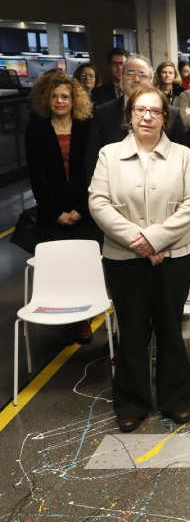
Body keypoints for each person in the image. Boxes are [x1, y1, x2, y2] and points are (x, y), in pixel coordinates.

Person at [88, 85, 190, 433]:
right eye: (140, 110)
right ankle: (131, 403)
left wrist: (155, 240)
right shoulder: (109, 154)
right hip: (124, 258)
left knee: (170, 328)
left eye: (155, 111)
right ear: (130, 115)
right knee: (132, 331)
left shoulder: (183, 156)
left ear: (166, 118)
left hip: (174, 257)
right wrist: (139, 242)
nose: (147, 117)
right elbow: (98, 202)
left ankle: (175, 399)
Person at [26, 73, 97, 344]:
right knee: (61, 269)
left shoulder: (86, 128)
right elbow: (37, 176)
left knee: (83, 267)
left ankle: (83, 319)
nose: (59, 101)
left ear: (74, 99)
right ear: (46, 99)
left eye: (65, 96)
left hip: (84, 211)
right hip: (51, 213)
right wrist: (56, 212)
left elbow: (93, 170)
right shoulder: (36, 130)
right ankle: (68, 320)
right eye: (54, 96)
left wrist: (81, 208)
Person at [85, 55, 190, 184]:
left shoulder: (172, 114)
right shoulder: (103, 112)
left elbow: (182, 160)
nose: (136, 79)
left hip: (163, 185)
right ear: (122, 78)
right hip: (116, 187)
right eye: (130, 74)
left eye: (142, 75)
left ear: (151, 80)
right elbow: (92, 160)